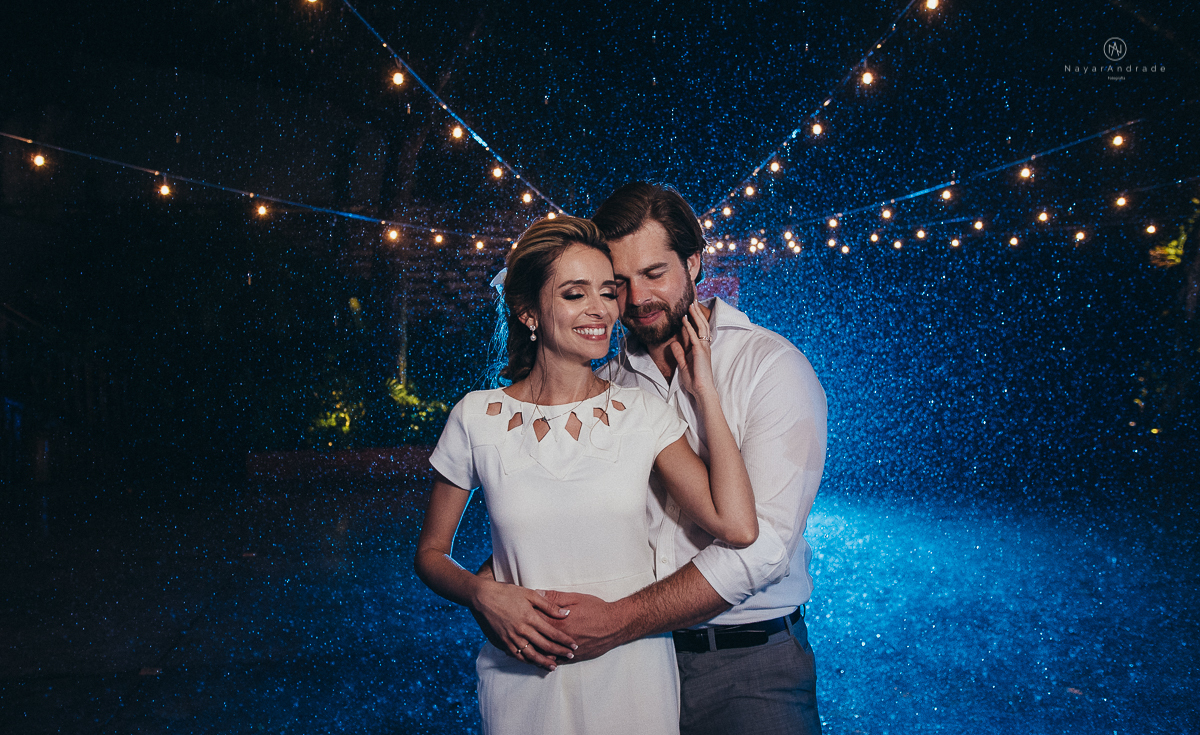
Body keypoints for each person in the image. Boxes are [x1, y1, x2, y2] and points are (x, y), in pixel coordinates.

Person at [413, 215, 760, 734]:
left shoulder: (642, 413)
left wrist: (703, 388)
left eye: (607, 291)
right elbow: (430, 554)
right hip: (522, 675)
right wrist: (482, 594)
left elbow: (738, 526)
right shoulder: (475, 417)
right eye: (575, 294)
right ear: (528, 312)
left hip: (631, 673)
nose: (601, 309)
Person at [536, 183, 829, 735]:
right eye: (620, 282)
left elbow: (762, 547)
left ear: (693, 262)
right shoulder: (604, 384)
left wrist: (621, 620)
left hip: (748, 666)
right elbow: (562, 510)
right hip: (633, 665)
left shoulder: (770, 367)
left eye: (654, 273)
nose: (638, 298)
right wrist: (490, 590)